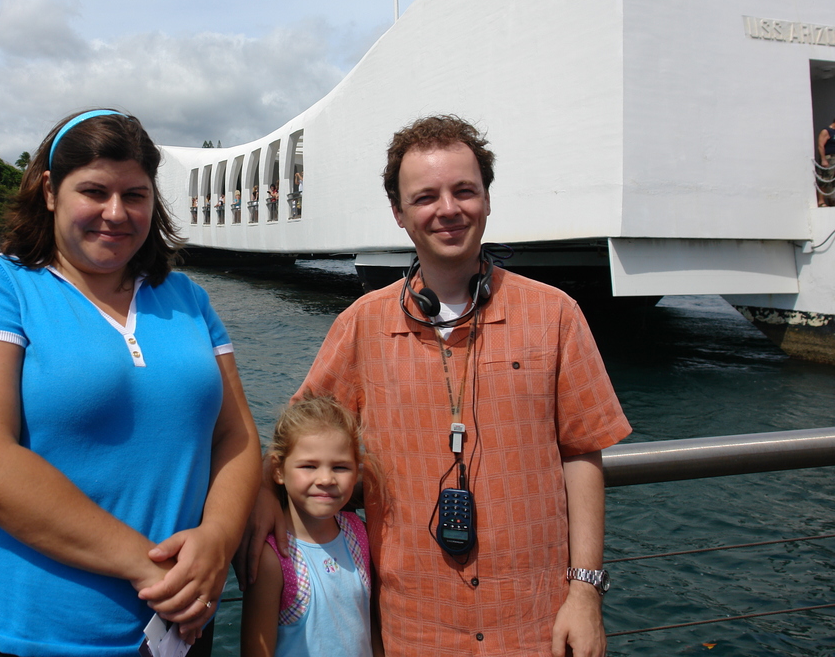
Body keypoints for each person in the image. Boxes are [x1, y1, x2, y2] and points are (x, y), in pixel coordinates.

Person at [240, 115, 631, 657]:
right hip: (412, 628)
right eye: (425, 197)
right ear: (400, 215)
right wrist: (264, 491)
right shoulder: (362, 324)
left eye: (464, 190)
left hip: (535, 623)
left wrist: (584, 593)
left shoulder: (555, 315)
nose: (448, 209)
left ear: (488, 200)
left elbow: (583, 453)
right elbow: (297, 430)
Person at [0, 109, 262, 656]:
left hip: (174, 624)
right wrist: (155, 570)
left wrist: (216, 542)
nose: (116, 213)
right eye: (94, 191)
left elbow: (238, 437)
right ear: (51, 192)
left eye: (136, 194)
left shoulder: (187, 298)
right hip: (13, 630)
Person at [240, 395, 377, 657]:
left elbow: (369, 624)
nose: (325, 479)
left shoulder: (358, 533)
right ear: (278, 471)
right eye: (309, 466)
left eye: (340, 467)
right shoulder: (274, 559)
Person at [818, 118, 835, 207]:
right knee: (826, 178)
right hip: (830, 157)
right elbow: (821, 145)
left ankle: (832, 200)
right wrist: (823, 159)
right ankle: (821, 201)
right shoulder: (827, 131)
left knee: (833, 181)